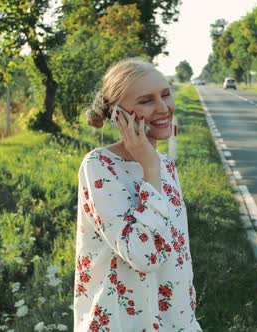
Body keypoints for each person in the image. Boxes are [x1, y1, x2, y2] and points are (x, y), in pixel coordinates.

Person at [73, 58, 202, 332]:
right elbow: (145, 256)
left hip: (174, 322)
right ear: (118, 114)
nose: (162, 107)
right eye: (146, 100)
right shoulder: (99, 166)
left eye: (165, 94)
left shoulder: (165, 165)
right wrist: (149, 166)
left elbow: (177, 256)